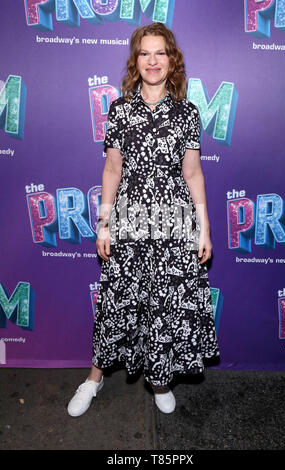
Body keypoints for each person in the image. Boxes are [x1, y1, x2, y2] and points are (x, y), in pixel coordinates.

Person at [67, 22, 220, 417]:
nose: (153, 61)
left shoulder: (187, 112)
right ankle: (93, 379)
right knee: (118, 302)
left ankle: (160, 380)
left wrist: (203, 228)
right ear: (136, 61)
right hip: (129, 220)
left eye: (160, 53)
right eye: (145, 53)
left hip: (174, 222)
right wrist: (103, 223)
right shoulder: (119, 110)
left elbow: (193, 173)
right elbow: (112, 170)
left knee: (164, 304)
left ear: (172, 60)